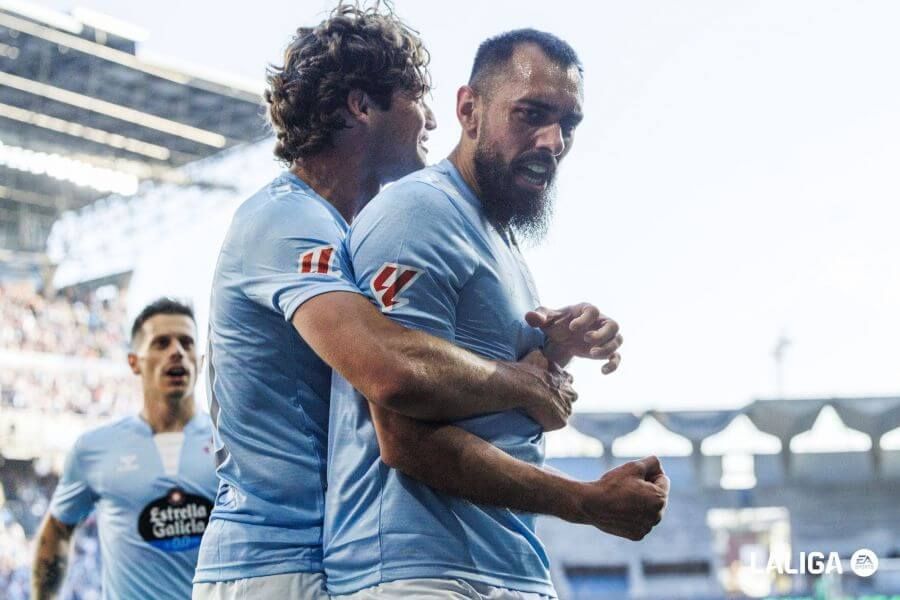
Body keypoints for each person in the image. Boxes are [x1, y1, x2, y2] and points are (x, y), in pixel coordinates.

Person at [194, 7, 595, 600]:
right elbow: (392, 369)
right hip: (270, 560)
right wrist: (523, 384)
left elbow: (429, 359)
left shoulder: (347, 226)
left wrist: (547, 345)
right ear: (362, 106)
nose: (431, 120)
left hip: (318, 555)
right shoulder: (286, 219)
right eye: (417, 97)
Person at [323, 29, 670, 600]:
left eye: (568, 125)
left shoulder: (498, 237)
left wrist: (554, 350)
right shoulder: (418, 212)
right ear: (469, 110)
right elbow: (404, 435)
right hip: (420, 573)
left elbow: (502, 405)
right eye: (531, 114)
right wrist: (584, 501)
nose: (553, 141)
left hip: (499, 566)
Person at [32, 298, 217, 600]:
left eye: (187, 343)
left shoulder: (230, 443)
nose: (177, 352)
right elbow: (57, 529)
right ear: (134, 361)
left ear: (200, 357)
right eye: (161, 343)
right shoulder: (96, 448)